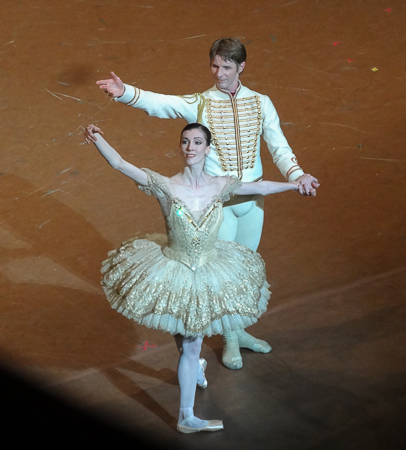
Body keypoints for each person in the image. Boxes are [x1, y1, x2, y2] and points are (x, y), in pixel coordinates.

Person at [93, 37, 320, 370]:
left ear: (241, 67)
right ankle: (231, 341)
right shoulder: (201, 103)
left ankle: (237, 331)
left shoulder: (261, 103)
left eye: (226, 67)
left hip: (252, 200)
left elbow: (279, 145)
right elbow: (163, 104)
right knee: (220, 279)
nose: (219, 73)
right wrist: (125, 92)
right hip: (220, 205)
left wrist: (297, 176)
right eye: (215, 66)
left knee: (242, 273)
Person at [84, 121, 316, 433]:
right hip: (173, 271)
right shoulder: (166, 187)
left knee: (191, 346)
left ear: (208, 149)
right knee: (184, 337)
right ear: (180, 147)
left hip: (209, 271)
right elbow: (120, 164)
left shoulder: (221, 185)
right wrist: (98, 138)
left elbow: (260, 188)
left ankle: (186, 413)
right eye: (185, 142)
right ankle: (190, 389)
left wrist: (296, 183)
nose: (190, 147)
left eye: (196, 142)